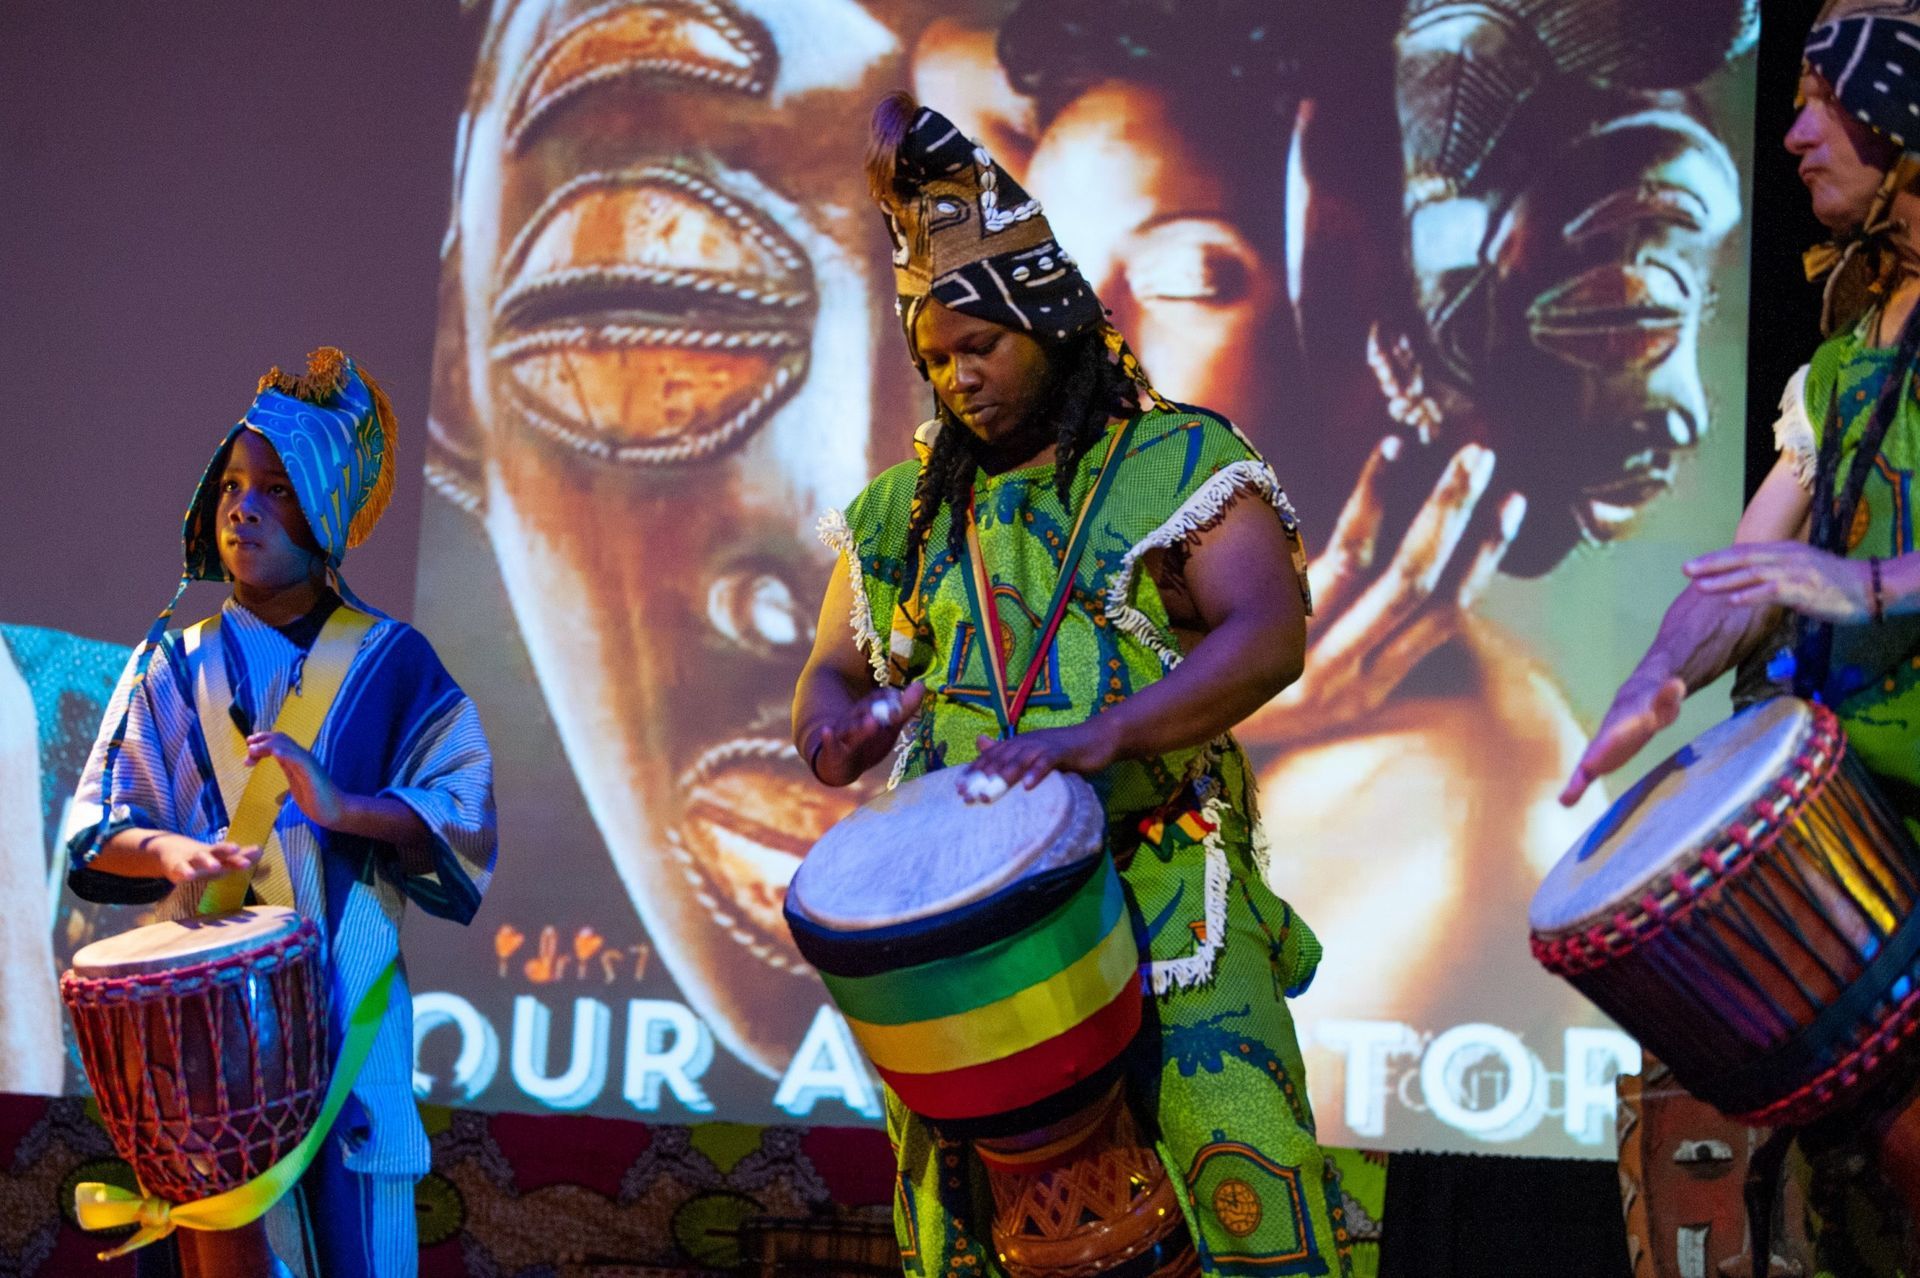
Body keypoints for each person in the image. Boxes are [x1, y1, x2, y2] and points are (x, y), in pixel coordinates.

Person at [907, 0, 1751, 1062]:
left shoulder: (1437, 817)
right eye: (1062, 288)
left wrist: (1203, 728)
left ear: (1384, 355)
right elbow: (950, 64)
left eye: (1187, 280)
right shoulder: (1119, 624)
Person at [792, 94, 1350, 1277]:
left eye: (978, 347)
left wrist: (1106, 735)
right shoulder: (904, 511)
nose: (957, 381)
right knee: (969, 1232)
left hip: (1155, 885)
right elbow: (834, 672)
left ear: (1045, 319)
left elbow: (1267, 631)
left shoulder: (1177, 461)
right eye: (934, 360)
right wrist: (837, 730)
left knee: (1239, 1170)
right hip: (967, 947)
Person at [63, 347, 498, 1277]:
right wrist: (175, 853)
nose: (242, 505)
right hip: (210, 1040)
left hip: (350, 1017)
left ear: (329, 508)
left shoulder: (394, 663)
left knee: (361, 1233)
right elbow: (98, 828)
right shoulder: (172, 664)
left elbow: (463, 816)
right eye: (231, 482)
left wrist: (344, 807)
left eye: (278, 487)